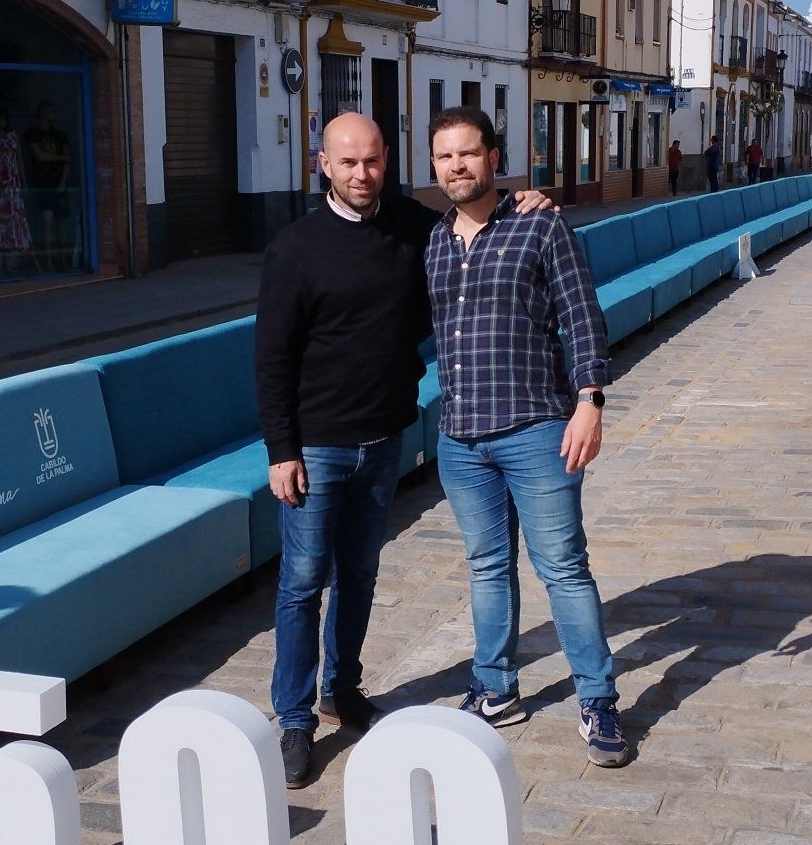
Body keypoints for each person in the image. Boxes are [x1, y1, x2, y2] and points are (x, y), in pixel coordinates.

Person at [255, 111, 553, 789]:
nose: (362, 174)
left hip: (384, 438)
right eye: (348, 162)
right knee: (303, 583)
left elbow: (478, 215)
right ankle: (294, 719)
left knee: (359, 575)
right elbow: (271, 358)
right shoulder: (294, 249)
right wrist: (281, 449)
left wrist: (526, 199)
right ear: (323, 166)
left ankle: (342, 689)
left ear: (386, 159)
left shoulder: (415, 227)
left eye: (372, 161)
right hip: (317, 446)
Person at [425, 106, 630, 769]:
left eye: (468, 153)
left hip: (538, 431)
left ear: (494, 157)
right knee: (487, 567)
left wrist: (590, 401)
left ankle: (598, 700)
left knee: (563, 568)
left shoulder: (541, 224)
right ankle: (496, 689)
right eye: (444, 156)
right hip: (462, 439)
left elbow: (583, 315)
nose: (456, 166)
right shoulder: (433, 241)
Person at [23, 102, 74, 271]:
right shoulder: (32, 133)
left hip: (58, 184)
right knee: (47, 220)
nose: (55, 114)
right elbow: (39, 156)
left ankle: (64, 259)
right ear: (42, 113)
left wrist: (63, 182)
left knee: (62, 222)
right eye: (51, 111)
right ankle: (48, 259)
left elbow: (69, 159)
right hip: (42, 183)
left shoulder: (60, 134)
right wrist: (62, 158)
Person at [0, 109, 32, 275]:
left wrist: (23, 182)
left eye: (4, 118)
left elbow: (20, 160)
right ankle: (2, 260)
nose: (2, 122)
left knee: (14, 219)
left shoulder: (13, 136)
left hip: (12, 181)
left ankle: (11, 260)